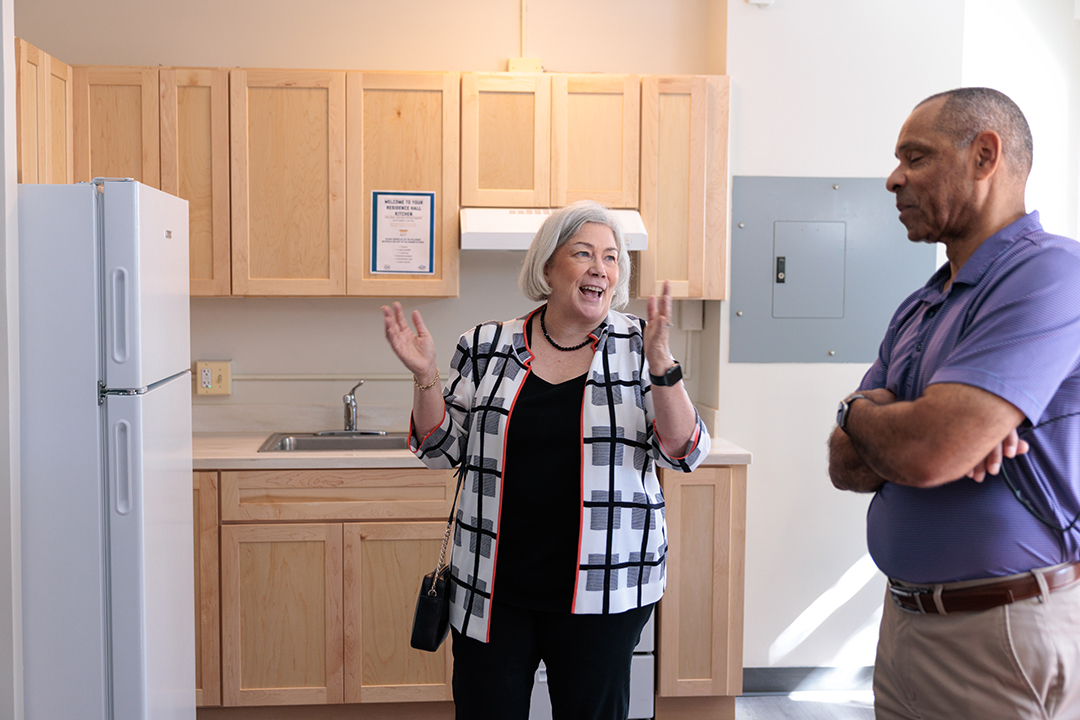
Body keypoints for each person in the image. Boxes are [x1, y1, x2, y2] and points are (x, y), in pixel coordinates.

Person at [383, 200, 711, 720]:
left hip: (604, 589)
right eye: (583, 253)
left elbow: (685, 451)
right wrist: (426, 378)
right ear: (548, 267)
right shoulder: (487, 345)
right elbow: (441, 448)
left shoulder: (640, 346)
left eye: (611, 257)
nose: (600, 268)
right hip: (492, 589)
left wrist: (663, 367)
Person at [828, 87, 1080, 719]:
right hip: (904, 623)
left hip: (1001, 633)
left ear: (984, 155)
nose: (894, 179)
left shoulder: (1052, 273)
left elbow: (929, 451)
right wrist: (872, 424)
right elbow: (845, 467)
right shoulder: (920, 305)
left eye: (915, 157)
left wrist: (864, 412)